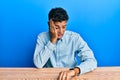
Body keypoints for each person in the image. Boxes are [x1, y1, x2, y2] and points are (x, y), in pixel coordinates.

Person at [33, 7, 97, 80]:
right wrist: (52, 40)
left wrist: (74, 71)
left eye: (64, 27)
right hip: (49, 77)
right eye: (57, 27)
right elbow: (38, 64)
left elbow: (91, 61)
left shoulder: (74, 38)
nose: (61, 31)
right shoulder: (42, 37)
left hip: (71, 77)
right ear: (49, 24)